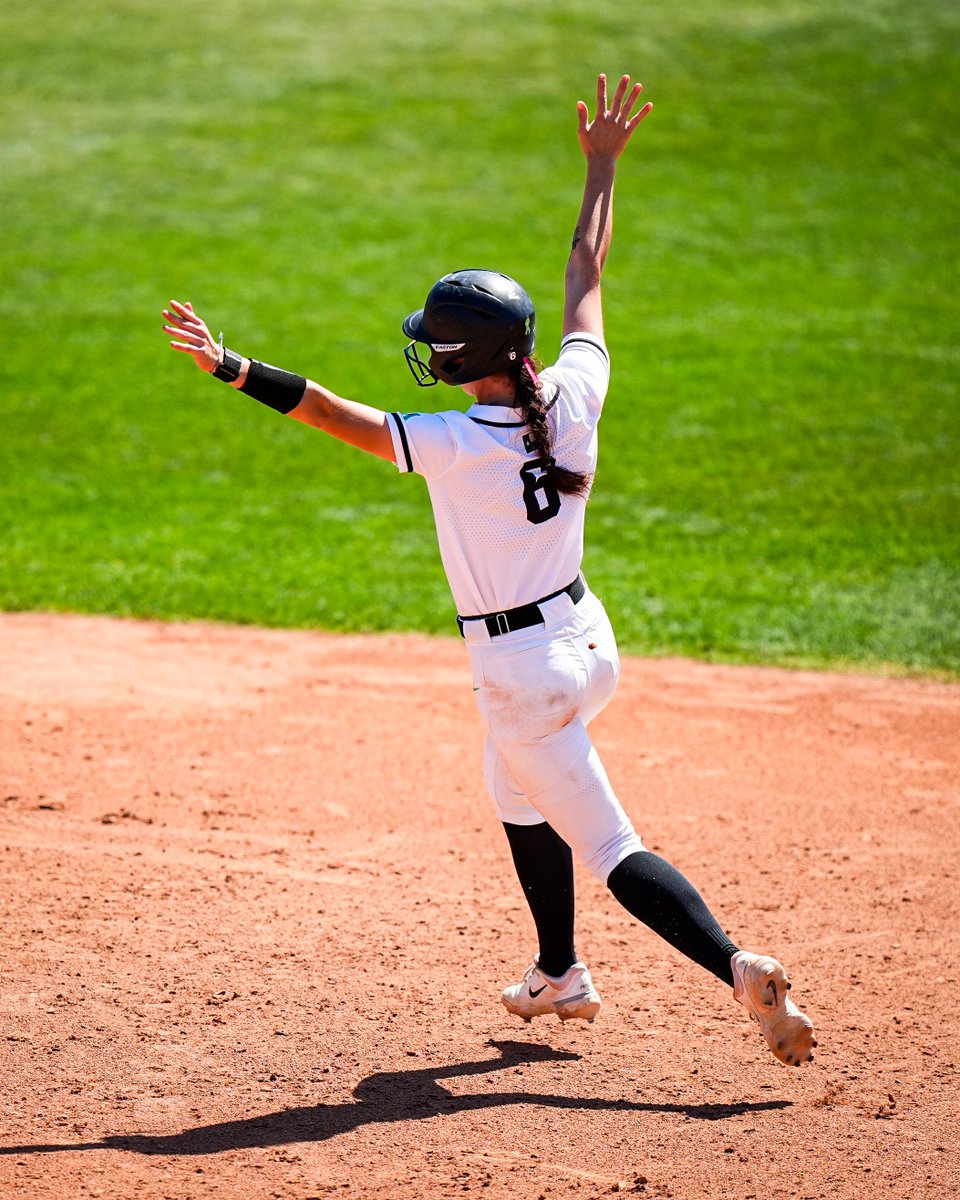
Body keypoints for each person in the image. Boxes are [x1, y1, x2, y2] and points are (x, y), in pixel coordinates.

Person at [162, 73, 816, 1067]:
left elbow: (333, 414)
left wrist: (232, 366)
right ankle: (559, 970)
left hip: (524, 676)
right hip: (588, 641)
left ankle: (734, 965)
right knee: (514, 787)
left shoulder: (452, 443)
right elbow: (584, 273)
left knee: (608, 845)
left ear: (464, 360)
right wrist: (601, 167)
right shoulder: (577, 392)